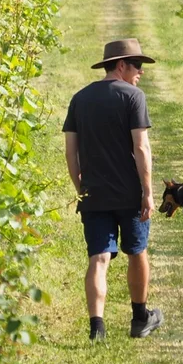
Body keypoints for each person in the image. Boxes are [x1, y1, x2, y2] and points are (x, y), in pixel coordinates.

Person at [63, 38, 164, 343]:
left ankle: (97, 328)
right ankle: (140, 317)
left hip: (94, 193)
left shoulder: (80, 99)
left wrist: (80, 188)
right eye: (137, 65)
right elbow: (141, 147)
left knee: (98, 257)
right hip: (129, 193)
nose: (141, 72)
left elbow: (70, 152)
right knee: (137, 251)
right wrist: (147, 191)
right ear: (121, 65)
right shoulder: (133, 97)